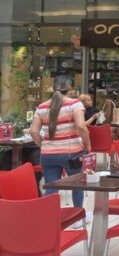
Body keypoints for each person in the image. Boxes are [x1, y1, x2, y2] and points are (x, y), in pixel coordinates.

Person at [30, 75, 91, 209]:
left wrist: (43, 145)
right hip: (72, 154)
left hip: (48, 155)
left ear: (53, 88)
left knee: (51, 188)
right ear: (70, 89)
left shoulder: (41, 107)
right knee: (77, 186)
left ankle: (50, 217)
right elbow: (81, 126)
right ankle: (77, 215)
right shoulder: (75, 104)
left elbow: (33, 131)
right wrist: (87, 145)